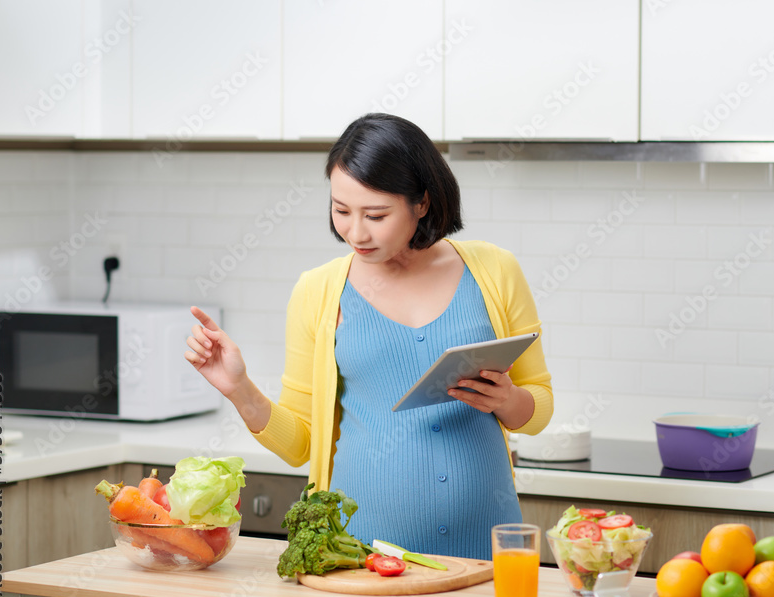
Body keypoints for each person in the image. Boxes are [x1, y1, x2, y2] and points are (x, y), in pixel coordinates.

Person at [185, 113, 553, 559]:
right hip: (361, 553)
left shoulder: (495, 271)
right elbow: (301, 443)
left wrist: (509, 401)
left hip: (487, 543)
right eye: (341, 211)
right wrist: (239, 390)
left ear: (422, 203)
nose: (355, 233)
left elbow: (539, 405)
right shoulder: (318, 292)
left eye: (375, 215)